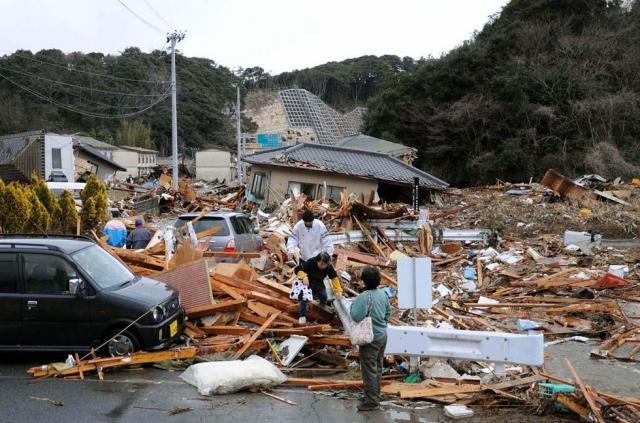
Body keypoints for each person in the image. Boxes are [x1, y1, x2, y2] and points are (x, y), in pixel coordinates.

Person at [350, 266, 392, 412]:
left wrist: (352, 306)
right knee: (378, 366)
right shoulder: (383, 294)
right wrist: (382, 323)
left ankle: (371, 401)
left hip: (370, 337)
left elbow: (355, 316)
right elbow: (388, 313)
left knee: (369, 369)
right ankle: (374, 394)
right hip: (382, 335)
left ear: (364, 281)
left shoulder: (364, 296)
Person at [294, 252, 343, 324]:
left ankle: (322, 314)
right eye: (321, 264)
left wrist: (338, 290)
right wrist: (303, 276)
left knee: (324, 296)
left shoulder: (328, 266)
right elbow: (297, 269)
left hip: (319, 282)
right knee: (305, 298)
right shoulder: (311, 262)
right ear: (317, 261)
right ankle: (302, 316)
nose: (323, 267)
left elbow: (334, 278)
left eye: (325, 265)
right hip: (308, 281)